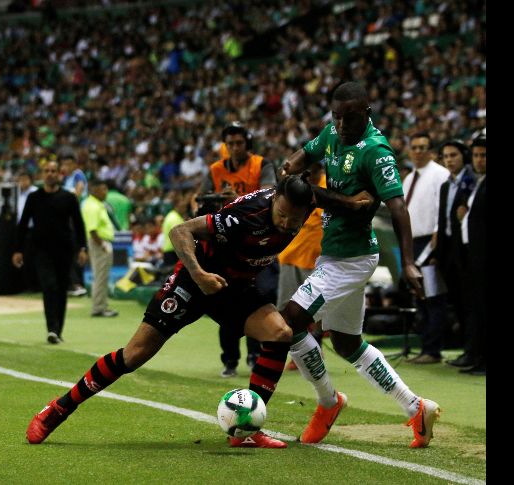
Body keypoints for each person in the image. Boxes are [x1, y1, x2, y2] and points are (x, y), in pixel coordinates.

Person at [25, 175, 371, 448]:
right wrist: (199, 274)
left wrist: (351, 204)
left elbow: (317, 194)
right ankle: (58, 409)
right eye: (281, 216)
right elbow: (181, 231)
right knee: (133, 356)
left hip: (233, 288)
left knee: (279, 333)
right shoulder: (245, 216)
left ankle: (244, 430)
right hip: (194, 282)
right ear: (274, 200)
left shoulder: (302, 203)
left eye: (293, 222)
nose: (285, 225)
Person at [280, 81, 440, 449]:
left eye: (349, 118)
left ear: (366, 113)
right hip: (335, 253)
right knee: (347, 342)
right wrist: (292, 165)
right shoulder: (332, 133)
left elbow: (398, 208)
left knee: (289, 321)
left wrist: (410, 263)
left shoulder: (376, 151)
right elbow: (306, 154)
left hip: (351, 259)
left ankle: (328, 402)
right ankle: (416, 408)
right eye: (335, 117)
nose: (340, 125)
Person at [200, 122, 279, 377]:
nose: (234, 148)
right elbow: (200, 201)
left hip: (258, 241)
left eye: (239, 143)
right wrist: (214, 200)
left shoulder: (261, 164)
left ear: (248, 143)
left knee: (262, 295)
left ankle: (256, 353)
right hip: (227, 242)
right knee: (226, 298)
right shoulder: (215, 169)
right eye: (230, 144)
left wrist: (237, 199)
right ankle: (230, 359)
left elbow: (270, 192)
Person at [13, 161, 88, 344]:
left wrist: (82, 248)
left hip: (64, 251)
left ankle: (57, 330)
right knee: (49, 286)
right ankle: (51, 329)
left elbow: (78, 224)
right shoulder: (34, 197)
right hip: (40, 251)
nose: (50, 174)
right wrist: (17, 250)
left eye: (53, 171)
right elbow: (23, 224)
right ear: (42, 174)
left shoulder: (69, 198)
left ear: (59, 174)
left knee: (61, 290)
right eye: (47, 171)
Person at [399, 132, 450, 364]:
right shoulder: (409, 178)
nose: (418, 152)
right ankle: (425, 347)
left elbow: (445, 206)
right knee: (420, 297)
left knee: (433, 297)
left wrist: (438, 234)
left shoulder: (440, 174)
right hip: (412, 242)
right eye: (415, 147)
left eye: (423, 148)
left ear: (431, 151)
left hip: (431, 241)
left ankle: (433, 350)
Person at [277, 161, 327, 371]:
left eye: (315, 169)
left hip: (316, 259)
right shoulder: (295, 187)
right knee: (285, 309)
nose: (311, 173)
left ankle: (315, 352)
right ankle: (292, 355)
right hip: (290, 256)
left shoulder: (329, 188)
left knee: (316, 314)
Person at [431, 140, 476, 362]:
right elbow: (443, 218)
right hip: (448, 250)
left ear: (464, 156)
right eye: (445, 156)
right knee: (457, 301)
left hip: (467, 250)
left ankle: (473, 351)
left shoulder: (472, 181)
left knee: (470, 303)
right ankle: (467, 350)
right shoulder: (446, 185)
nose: (449, 160)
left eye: (453, 155)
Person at [457, 135, 486, 375]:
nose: (479, 160)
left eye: (483, 155)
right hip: (475, 257)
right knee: (478, 308)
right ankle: (478, 356)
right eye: (476, 155)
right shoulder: (479, 183)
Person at [81, 179, 118, 318]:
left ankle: (101, 305)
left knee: (102, 275)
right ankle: (98, 308)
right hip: (99, 242)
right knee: (101, 276)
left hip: (100, 242)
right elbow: (92, 230)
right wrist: (103, 245)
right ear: (95, 190)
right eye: (103, 189)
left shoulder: (96, 204)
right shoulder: (92, 206)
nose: (105, 192)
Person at [61, 154, 89, 297]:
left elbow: (78, 192)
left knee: (78, 249)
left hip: (78, 218)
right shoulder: (65, 179)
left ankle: (79, 284)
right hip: (69, 219)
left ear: (74, 164)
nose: (66, 167)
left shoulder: (78, 175)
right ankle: (72, 284)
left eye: (68, 164)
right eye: (64, 164)